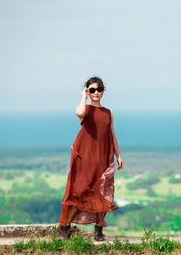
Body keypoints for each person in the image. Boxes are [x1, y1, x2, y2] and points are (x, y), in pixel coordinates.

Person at [57, 76, 124, 241]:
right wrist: (83, 97)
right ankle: (63, 227)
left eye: (99, 89)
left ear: (103, 91)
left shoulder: (108, 113)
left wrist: (119, 155)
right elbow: (79, 113)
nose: (96, 92)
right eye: (92, 89)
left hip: (103, 157)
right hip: (85, 158)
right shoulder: (85, 109)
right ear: (88, 91)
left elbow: (112, 135)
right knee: (79, 193)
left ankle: (98, 230)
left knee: (104, 193)